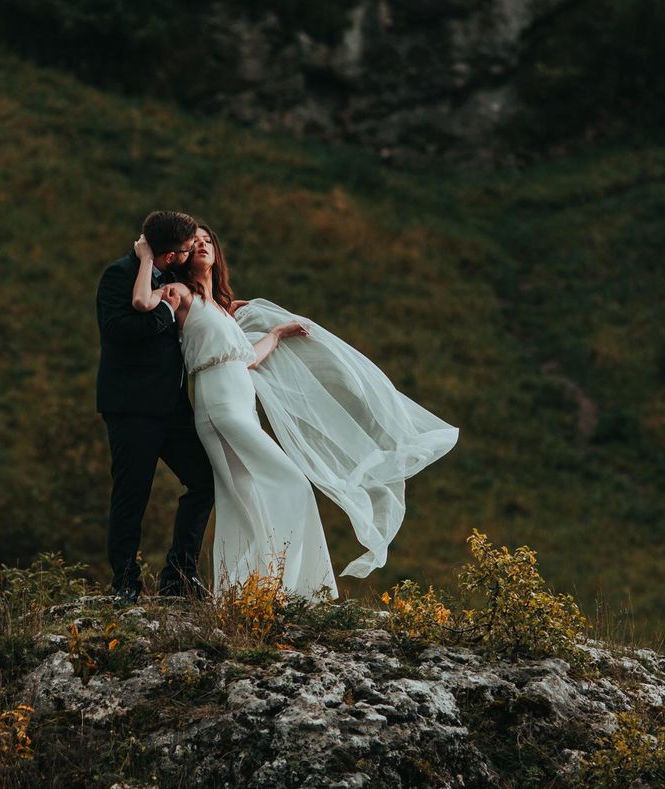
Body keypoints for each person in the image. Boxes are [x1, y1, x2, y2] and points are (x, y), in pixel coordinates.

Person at [132, 223, 459, 599]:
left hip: (239, 403)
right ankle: (298, 590)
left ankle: (254, 592)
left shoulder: (224, 309)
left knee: (247, 499)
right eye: (195, 243)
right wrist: (144, 258)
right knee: (293, 484)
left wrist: (277, 335)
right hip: (221, 406)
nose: (203, 246)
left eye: (209, 241)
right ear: (185, 254)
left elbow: (246, 361)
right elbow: (142, 302)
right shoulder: (181, 292)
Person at [95, 210, 214, 604]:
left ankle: (179, 574)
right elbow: (118, 331)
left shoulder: (174, 279)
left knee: (206, 481)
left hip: (175, 409)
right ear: (169, 256)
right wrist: (163, 310)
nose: (190, 252)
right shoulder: (118, 274)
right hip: (133, 407)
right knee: (132, 495)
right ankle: (126, 583)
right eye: (184, 249)